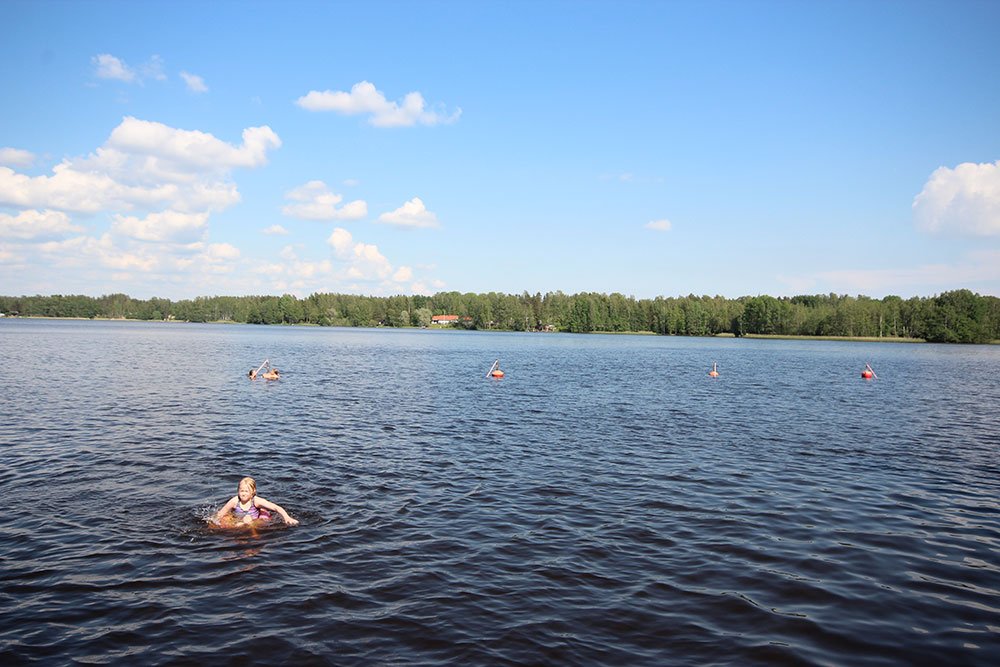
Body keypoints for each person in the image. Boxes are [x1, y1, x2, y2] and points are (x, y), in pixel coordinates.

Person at [213, 476, 299, 527]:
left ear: (253, 492)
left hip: (253, 520)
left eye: (246, 491)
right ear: (238, 491)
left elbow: (276, 508)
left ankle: (248, 529)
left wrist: (287, 518)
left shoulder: (256, 501)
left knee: (248, 519)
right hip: (238, 519)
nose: (243, 494)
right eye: (241, 491)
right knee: (227, 518)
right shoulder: (234, 501)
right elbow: (220, 513)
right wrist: (214, 523)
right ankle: (239, 525)